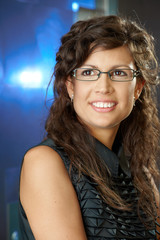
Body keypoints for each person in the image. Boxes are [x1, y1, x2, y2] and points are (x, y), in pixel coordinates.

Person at [19, 15, 160, 239]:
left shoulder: (139, 171)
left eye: (119, 73)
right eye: (88, 72)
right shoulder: (44, 162)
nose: (103, 87)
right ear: (71, 86)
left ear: (138, 89)